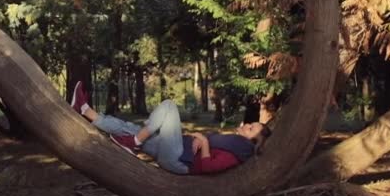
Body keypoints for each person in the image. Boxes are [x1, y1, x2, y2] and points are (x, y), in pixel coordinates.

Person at [70, 81, 271, 174]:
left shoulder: (237, 152)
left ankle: (135, 142)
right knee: (128, 127)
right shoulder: (233, 144)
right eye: (251, 124)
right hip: (175, 150)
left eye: (251, 129)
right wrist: (200, 138)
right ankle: (86, 110)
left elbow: (208, 167)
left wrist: (203, 142)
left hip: (178, 161)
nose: (246, 126)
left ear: (253, 142)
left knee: (168, 106)